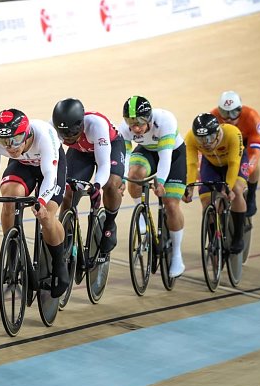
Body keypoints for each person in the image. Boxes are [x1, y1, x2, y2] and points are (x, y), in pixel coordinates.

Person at [0, 108, 68, 298]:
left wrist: (41, 201)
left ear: (27, 134)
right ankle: (13, 255)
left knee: (47, 215)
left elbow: (50, 175)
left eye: (16, 140)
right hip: (23, 166)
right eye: (4, 142)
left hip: (50, 168)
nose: (10, 147)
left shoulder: (44, 135)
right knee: (10, 197)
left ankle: (59, 262)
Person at [119, 95, 186, 278]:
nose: (136, 128)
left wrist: (161, 182)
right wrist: (123, 180)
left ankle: (177, 256)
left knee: (171, 204)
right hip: (147, 151)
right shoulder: (124, 128)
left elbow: (166, 158)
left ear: (149, 118)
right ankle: (141, 214)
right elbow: (124, 156)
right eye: (131, 123)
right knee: (134, 175)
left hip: (173, 154)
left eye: (139, 123)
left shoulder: (165, 121)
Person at [51, 98, 126, 258]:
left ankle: (110, 223)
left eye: (73, 134)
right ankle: (66, 230)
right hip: (81, 152)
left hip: (111, 146)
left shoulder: (96, 125)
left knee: (111, 185)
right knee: (67, 191)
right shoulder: (51, 127)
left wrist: (97, 185)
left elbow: (104, 164)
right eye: (65, 136)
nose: (69, 139)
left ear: (82, 125)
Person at [183, 113, 248, 254]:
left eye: (210, 137)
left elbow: (233, 163)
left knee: (236, 190)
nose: (206, 142)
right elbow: (192, 164)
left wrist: (228, 187)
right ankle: (213, 240)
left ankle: (238, 236)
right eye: (201, 139)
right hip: (211, 164)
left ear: (218, 132)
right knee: (206, 200)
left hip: (235, 161)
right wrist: (189, 187)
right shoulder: (190, 138)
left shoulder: (232, 133)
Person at [211, 91, 260, 217]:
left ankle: (251, 195)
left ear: (240, 110)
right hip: (227, 140)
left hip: (248, 139)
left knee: (252, 163)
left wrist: (244, 171)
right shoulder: (213, 117)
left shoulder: (252, 117)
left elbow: (254, 154)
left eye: (234, 113)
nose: (229, 118)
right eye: (224, 113)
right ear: (219, 111)